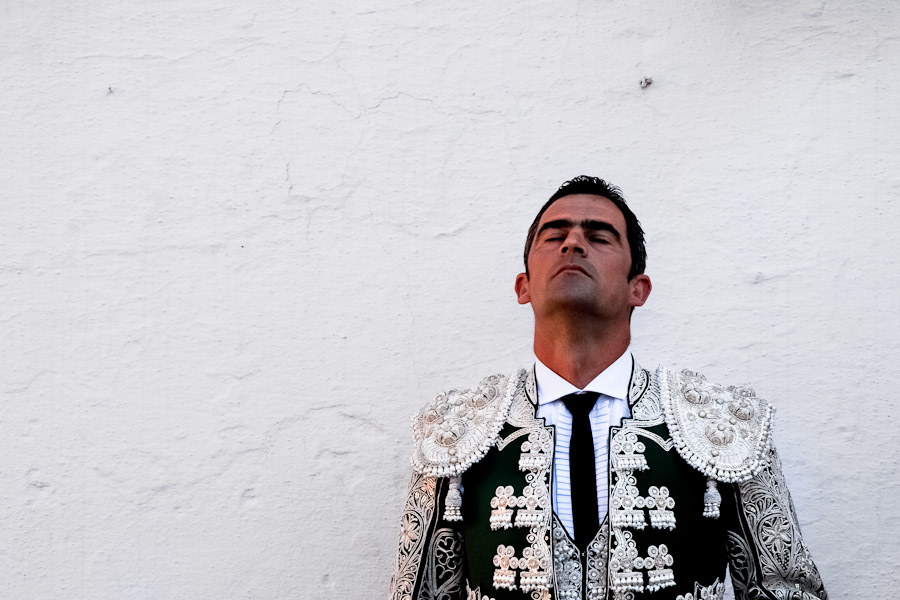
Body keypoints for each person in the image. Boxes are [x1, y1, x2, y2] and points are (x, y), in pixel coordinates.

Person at [387, 176, 827, 600]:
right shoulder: (455, 430)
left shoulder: (722, 424)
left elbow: (788, 592)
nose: (573, 243)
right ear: (523, 287)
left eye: (599, 237)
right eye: (553, 234)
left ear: (639, 288)